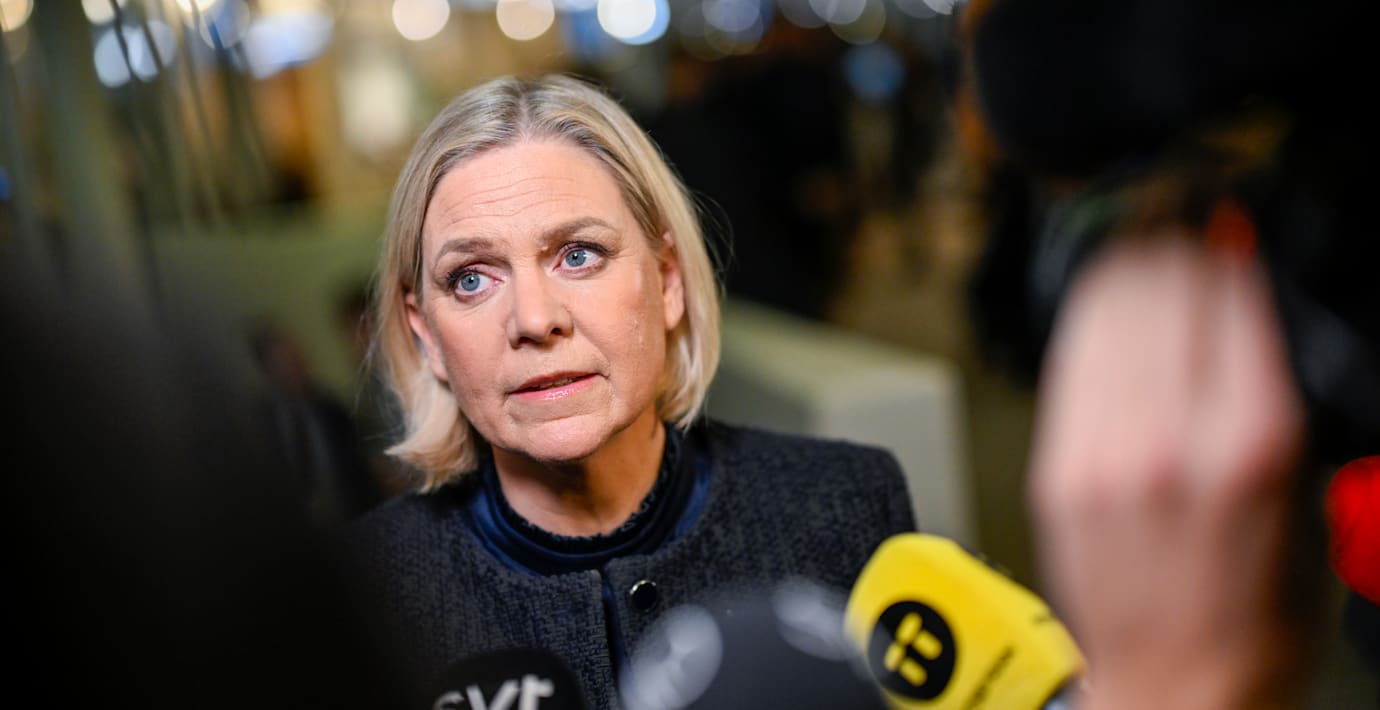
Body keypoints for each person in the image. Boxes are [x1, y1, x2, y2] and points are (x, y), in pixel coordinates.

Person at [343, 74, 916, 709]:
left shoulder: (844, 504)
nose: (534, 319)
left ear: (667, 282)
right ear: (425, 332)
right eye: (472, 278)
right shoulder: (363, 592)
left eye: (579, 254)